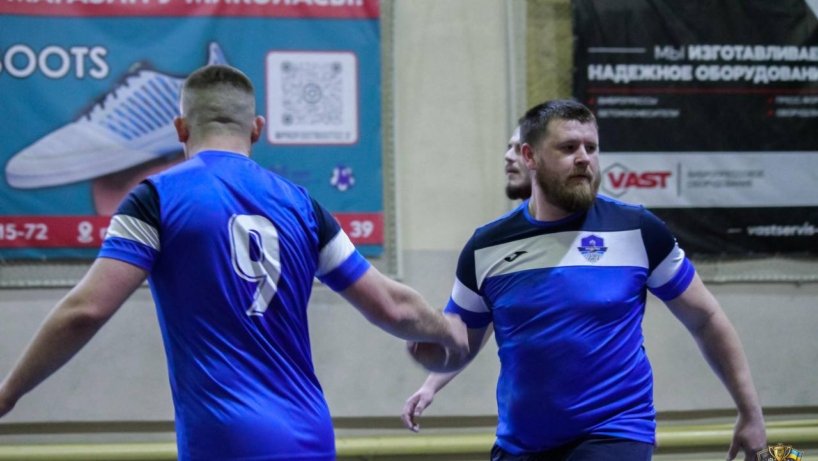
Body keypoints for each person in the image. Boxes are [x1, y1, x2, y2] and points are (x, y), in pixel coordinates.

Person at [0, 64, 469, 461]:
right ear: (257, 128)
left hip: (226, 441)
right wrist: (448, 332)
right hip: (310, 437)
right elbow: (392, 305)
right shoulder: (303, 206)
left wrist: (8, 394)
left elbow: (85, 311)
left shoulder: (155, 199)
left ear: (180, 129)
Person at [401, 99, 766, 461]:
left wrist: (750, 413)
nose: (584, 158)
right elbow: (461, 338)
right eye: (568, 148)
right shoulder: (487, 247)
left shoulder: (637, 229)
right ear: (530, 156)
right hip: (520, 443)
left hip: (615, 431)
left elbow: (705, 318)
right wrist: (432, 375)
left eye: (591, 148)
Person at [401, 124, 532, 428]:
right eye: (508, 147)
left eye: (518, 148)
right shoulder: (494, 242)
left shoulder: (614, 231)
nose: (507, 156)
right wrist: (430, 386)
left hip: (609, 428)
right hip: (526, 428)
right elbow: (469, 329)